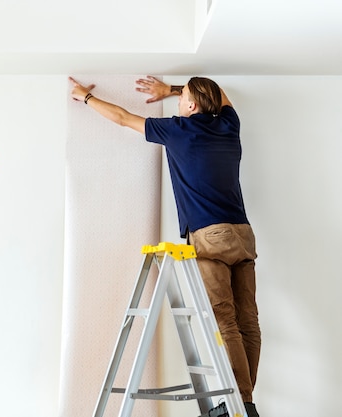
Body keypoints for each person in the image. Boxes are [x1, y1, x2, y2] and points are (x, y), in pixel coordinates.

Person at [69, 76, 261, 417]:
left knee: (226, 321)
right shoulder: (229, 125)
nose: (176, 100)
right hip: (243, 234)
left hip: (209, 236)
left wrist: (86, 99)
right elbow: (221, 94)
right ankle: (245, 402)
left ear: (191, 106)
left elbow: (124, 118)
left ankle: (241, 406)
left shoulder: (179, 130)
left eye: (181, 96)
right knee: (248, 321)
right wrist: (172, 89)